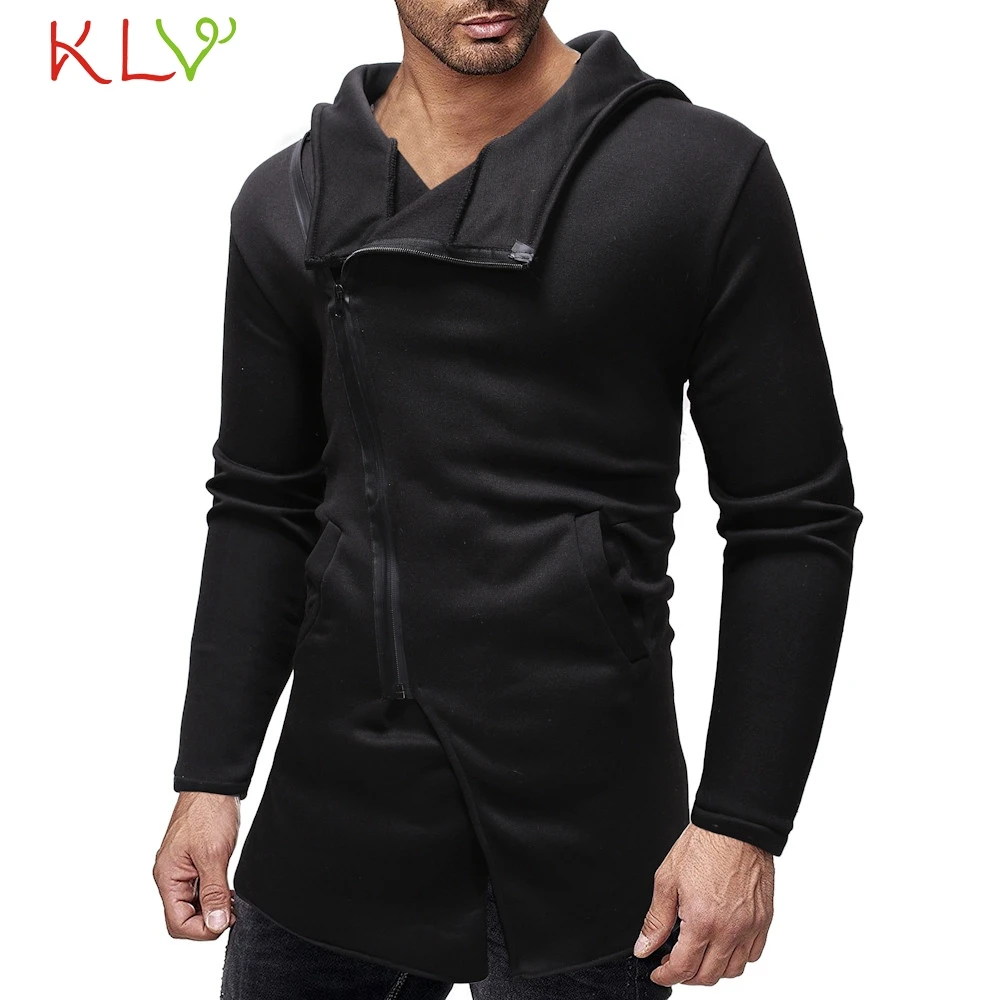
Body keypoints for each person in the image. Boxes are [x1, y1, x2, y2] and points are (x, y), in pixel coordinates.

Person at [152, 2, 864, 997]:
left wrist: (742, 822)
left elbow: (792, 516)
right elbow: (263, 505)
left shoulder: (697, 173)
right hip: (337, 811)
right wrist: (209, 775)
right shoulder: (290, 199)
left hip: (594, 827)